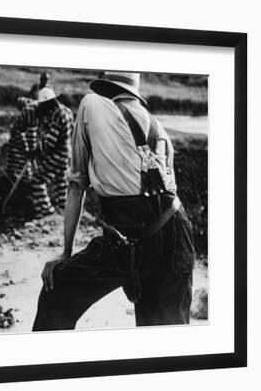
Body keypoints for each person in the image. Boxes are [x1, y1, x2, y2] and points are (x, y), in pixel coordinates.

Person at [32, 72, 195, 331]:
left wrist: (65, 254)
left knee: (58, 289)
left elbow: (77, 186)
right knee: (164, 338)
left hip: (131, 231)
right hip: (178, 232)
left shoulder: (91, 104)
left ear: (105, 85)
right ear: (134, 92)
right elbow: (166, 189)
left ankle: (43, 368)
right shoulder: (158, 126)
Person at [29, 87, 74, 218]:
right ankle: (64, 213)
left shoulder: (58, 115)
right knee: (60, 183)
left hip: (57, 155)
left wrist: (36, 151)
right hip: (67, 154)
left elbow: (50, 142)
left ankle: (47, 213)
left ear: (49, 102)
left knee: (37, 180)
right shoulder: (68, 111)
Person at [6, 84, 40, 181]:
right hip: (20, 137)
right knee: (20, 162)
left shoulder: (38, 107)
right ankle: (19, 182)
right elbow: (20, 101)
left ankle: (26, 181)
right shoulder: (30, 106)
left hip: (29, 137)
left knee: (28, 162)